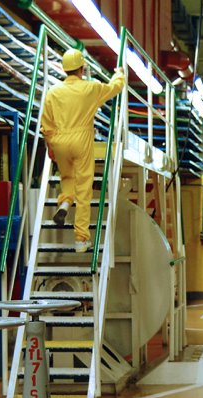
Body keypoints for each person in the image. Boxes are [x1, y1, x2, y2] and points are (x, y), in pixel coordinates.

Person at [41, 48, 125, 252]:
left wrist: (50, 147)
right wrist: (120, 73)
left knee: (67, 178)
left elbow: (46, 125)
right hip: (80, 139)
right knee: (84, 188)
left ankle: (65, 204)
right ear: (81, 68)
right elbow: (115, 88)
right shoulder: (91, 88)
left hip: (59, 140)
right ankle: (81, 238)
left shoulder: (53, 92)